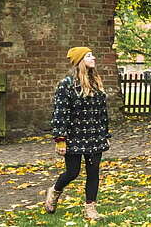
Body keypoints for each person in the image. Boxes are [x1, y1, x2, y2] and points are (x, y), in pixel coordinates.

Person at [42, 46, 111, 221]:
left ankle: (90, 209)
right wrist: (60, 139)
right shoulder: (67, 84)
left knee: (93, 172)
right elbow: (60, 113)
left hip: (94, 135)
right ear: (80, 60)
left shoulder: (96, 83)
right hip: (74, 136)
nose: (93, 58)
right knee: (72, 172)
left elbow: (102, 113)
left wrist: (105, 135)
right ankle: (55, 191)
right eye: (89, 56)